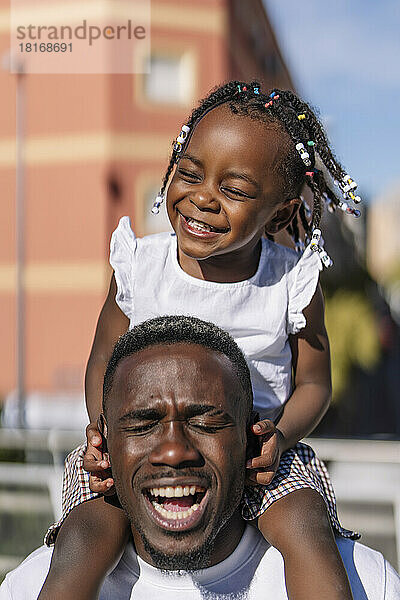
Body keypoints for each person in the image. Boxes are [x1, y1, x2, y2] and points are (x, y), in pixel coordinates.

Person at [40, 81, 364, 600]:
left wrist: (278, 437)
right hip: (141, 448)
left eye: (234, 190)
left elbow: (315, 383)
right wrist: (103, 430)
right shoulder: (140, 266)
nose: (203, 198)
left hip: (260, 451)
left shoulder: (291, 283)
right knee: (83, 537)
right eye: (189, 174)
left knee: (308, 531)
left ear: (280, 214)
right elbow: (103, 356)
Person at [2, 317, 399, 599]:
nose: (174, 452)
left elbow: (316, 384)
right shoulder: (30, 587)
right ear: (103, 442)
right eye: (142, 424)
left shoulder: (366, 582)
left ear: (250, 437)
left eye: (207, 423)